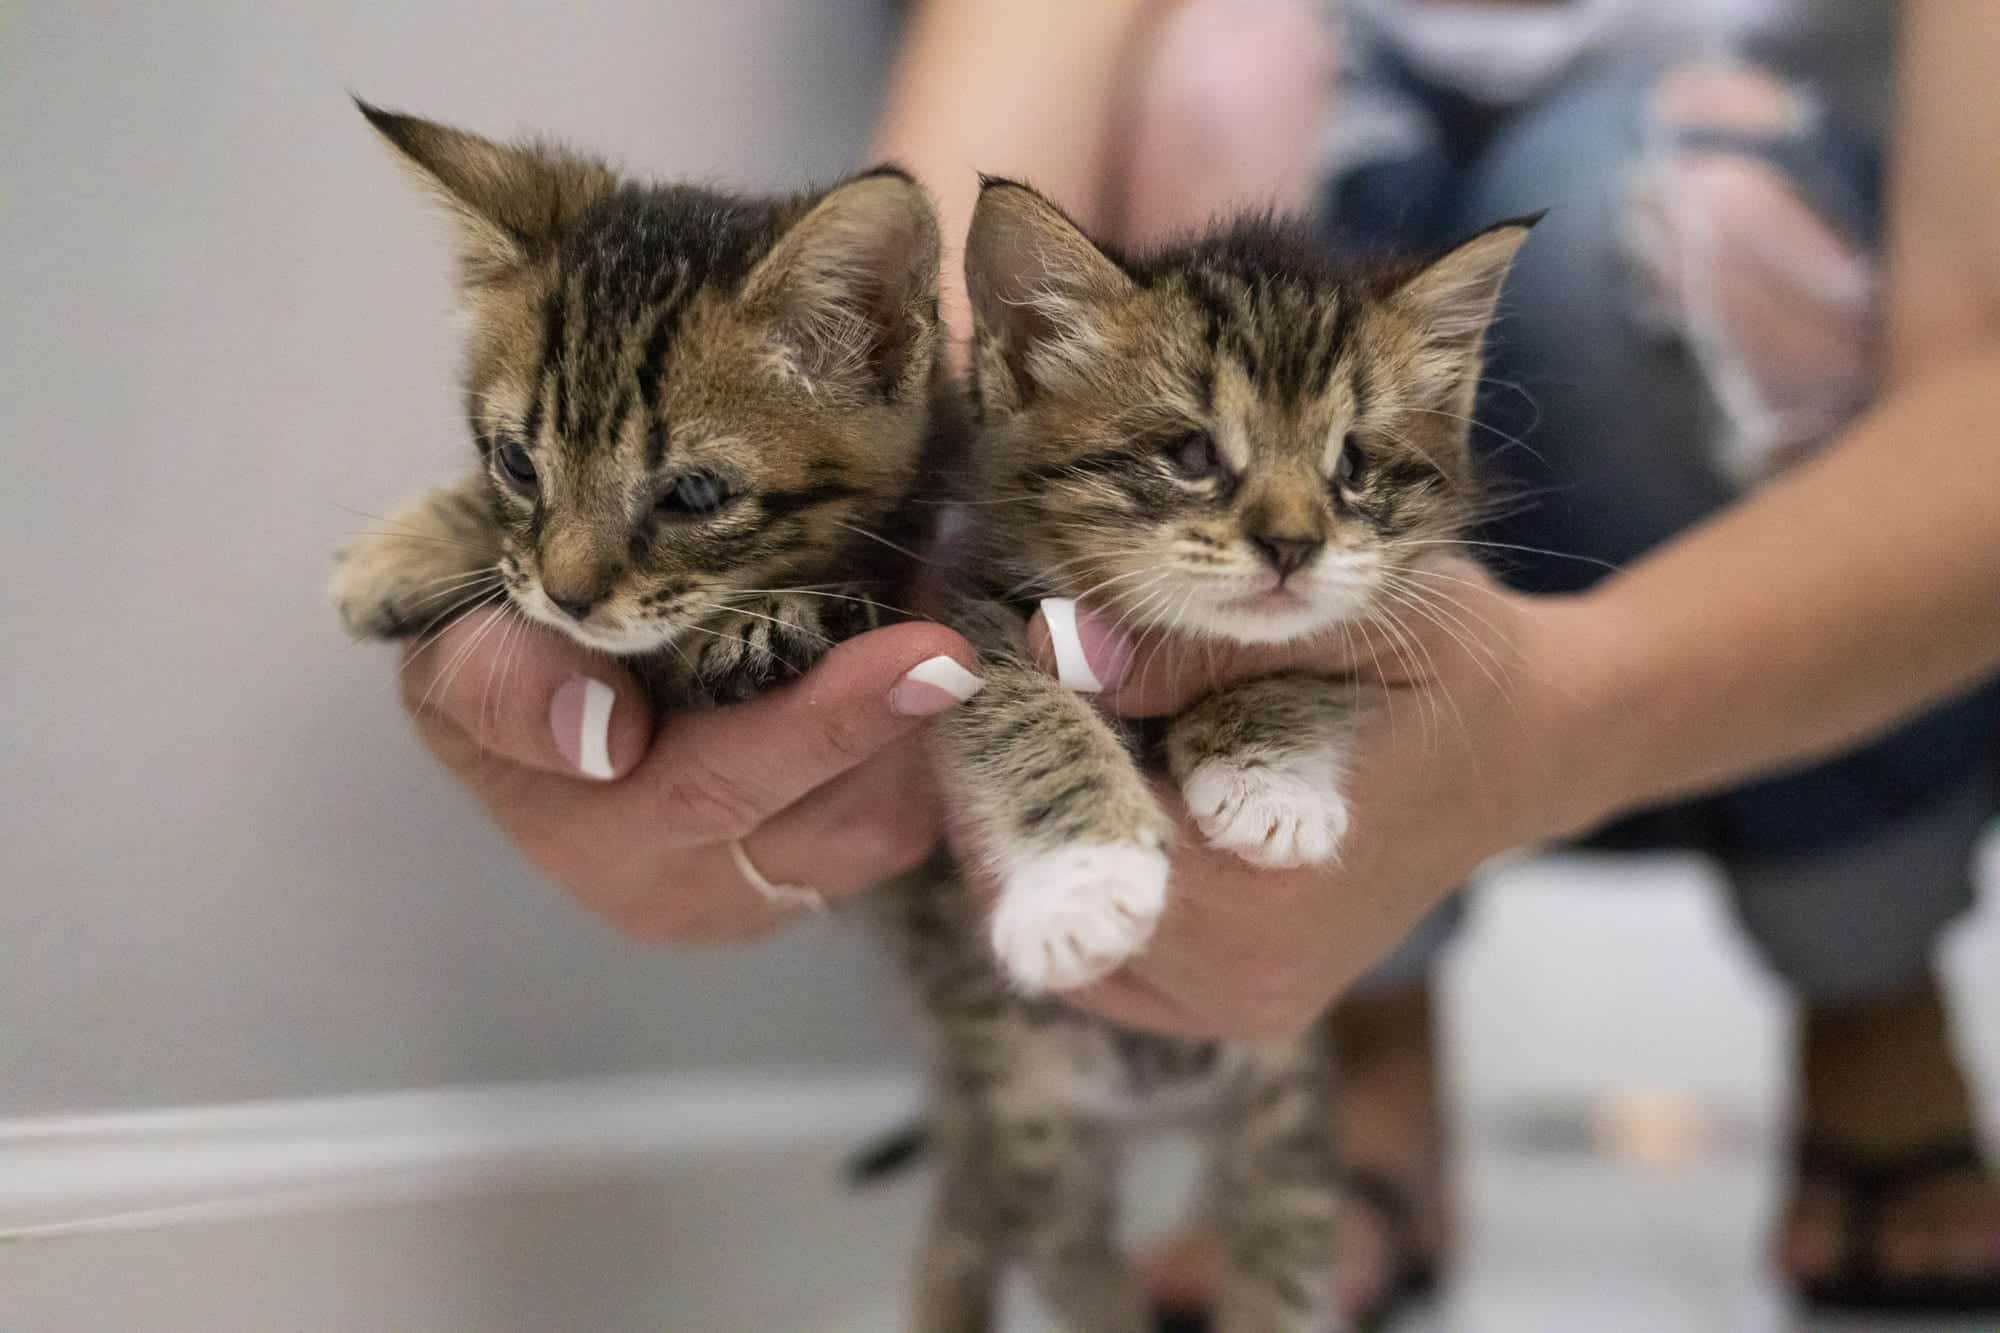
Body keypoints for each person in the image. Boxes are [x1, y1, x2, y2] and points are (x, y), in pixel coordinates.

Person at [393, 0, 2000, 1322]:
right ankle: (1362, 1025)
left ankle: (1864, 963)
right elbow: (938, 295)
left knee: (1625, 242)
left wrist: (1557, 716)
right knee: (1217, 81)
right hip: (1252, 231)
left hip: (1734, 199)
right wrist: (824, 545)